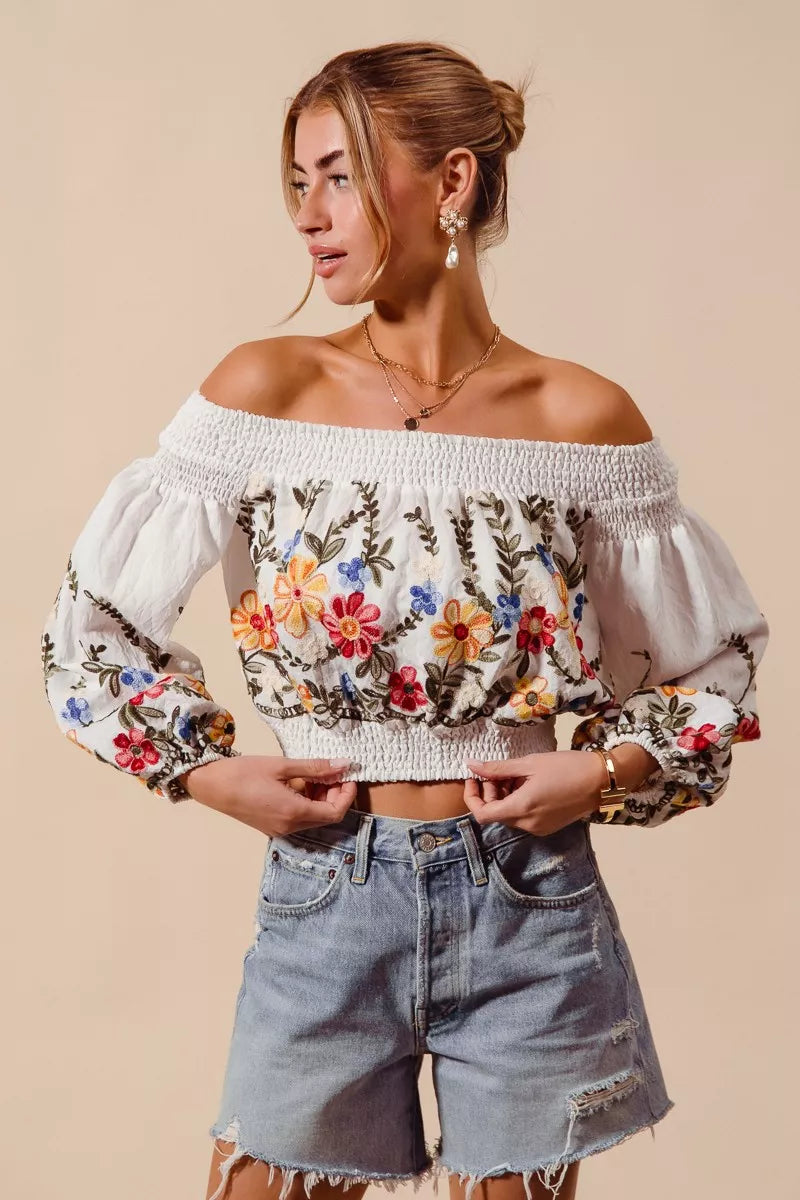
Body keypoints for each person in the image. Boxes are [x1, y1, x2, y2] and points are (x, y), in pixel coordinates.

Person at [40, 40, 769, 1200]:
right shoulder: (260, 393)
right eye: (296, 184)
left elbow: (716, 676)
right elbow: (88, 633)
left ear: (451, 184)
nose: (307, 216)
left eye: (336, 175)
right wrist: (210, 772)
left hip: (530, 898)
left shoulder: (579, 416)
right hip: (329, 888)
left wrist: (603, 770)